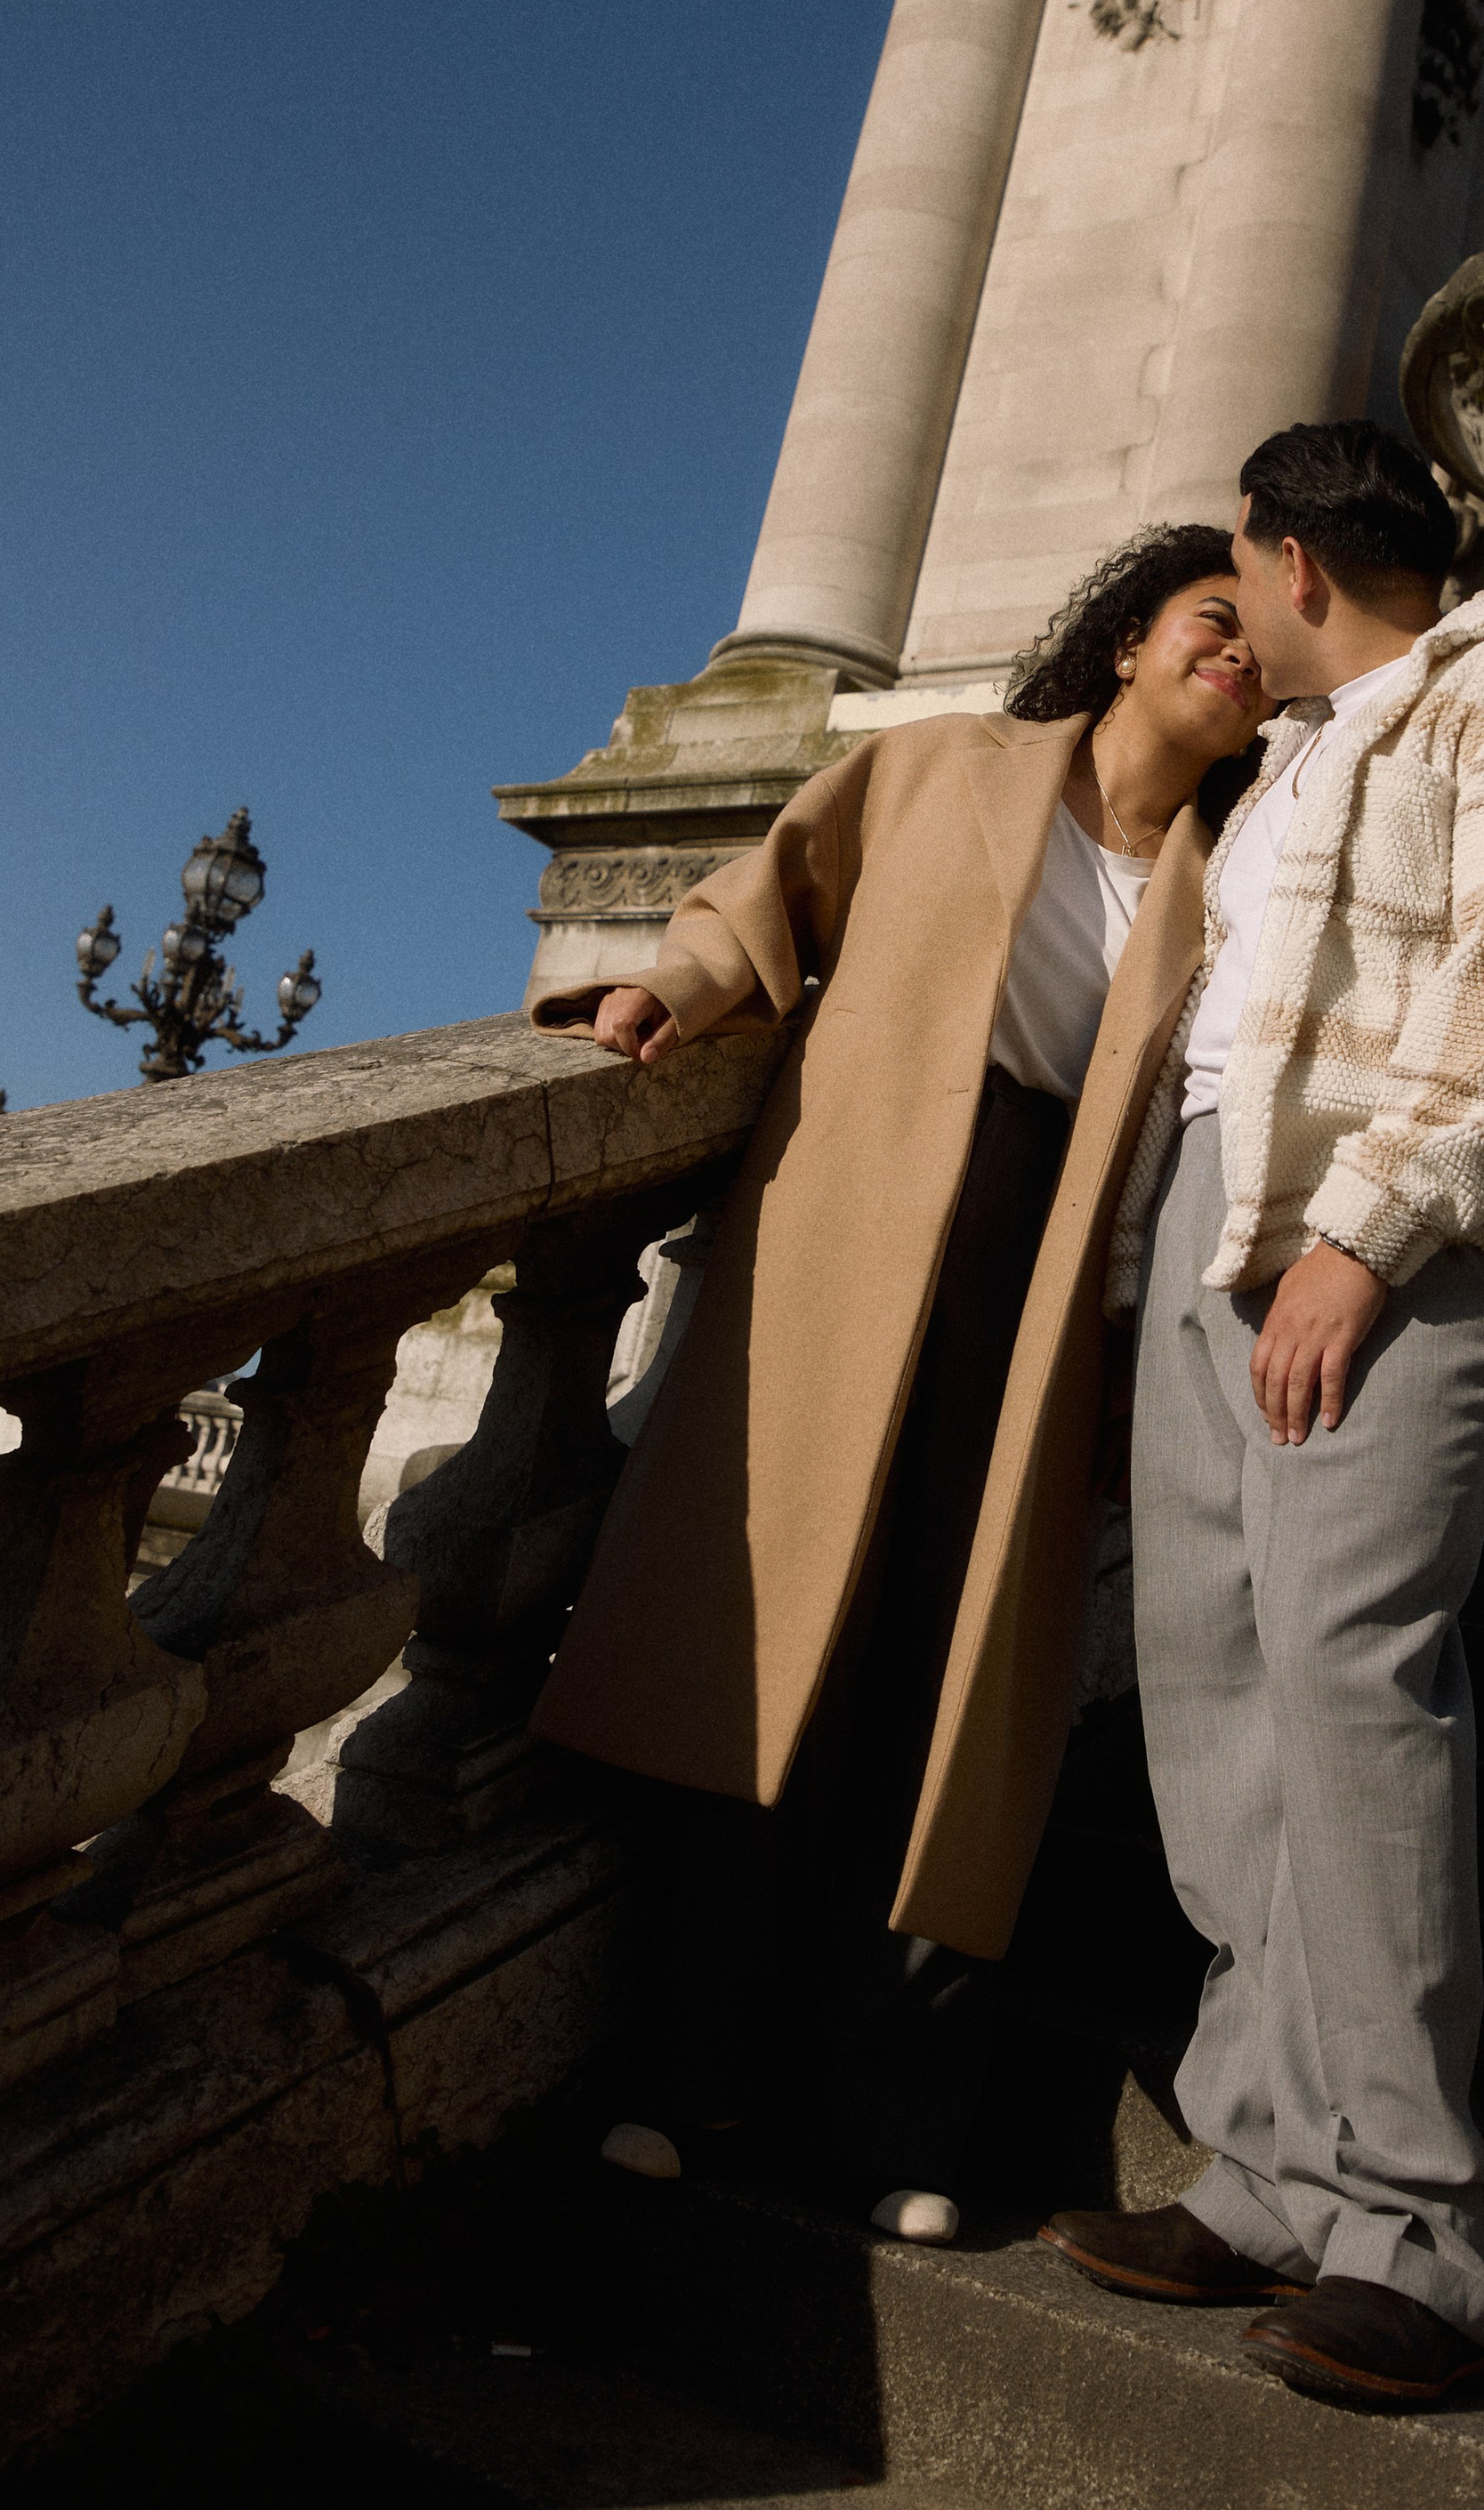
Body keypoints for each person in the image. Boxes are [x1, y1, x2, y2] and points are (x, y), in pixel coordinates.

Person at [524, 528, 1267, 2245]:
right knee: (793, 1646)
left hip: (1056, 1286)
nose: (1231, 652)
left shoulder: (1233, 884)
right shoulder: (938, 766)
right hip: (857, 1239)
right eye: (1204, 619)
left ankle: (892, 2121)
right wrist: (664, 989)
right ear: (1129, 639)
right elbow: (768, 899)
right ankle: (686, 2080)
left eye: (1254, 640)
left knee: (962, 1696)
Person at [1042, 418, 1484, 2411]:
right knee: (1212, 1688)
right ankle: (1263, 2173)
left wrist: (1362, 1236)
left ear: (1296, 562)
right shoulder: (1291, 756)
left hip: (1386, 1240)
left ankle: (1417, 2227)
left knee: (1345, 1671)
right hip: (1214, 1236)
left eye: (1243, 570)